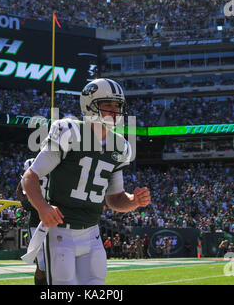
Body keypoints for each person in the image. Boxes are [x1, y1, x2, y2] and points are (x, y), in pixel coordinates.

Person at [22, 78, 151, 285]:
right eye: (107, 104)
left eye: (117, 105)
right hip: (60, 229)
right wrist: (43, 207)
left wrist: (134, 201)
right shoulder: (69, 131)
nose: (114, 110)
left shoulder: (119, 146)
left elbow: (115, 199)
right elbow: (30, 176)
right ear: (89, 105)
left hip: (92, 231)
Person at [17, 158, 48, 285]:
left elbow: (19, 191)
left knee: (49, 263)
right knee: (42, 264)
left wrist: (26, 202)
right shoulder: (33, 180)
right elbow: (20, 191)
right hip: (37, 225)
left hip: (48, 222)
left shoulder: (48, 177)